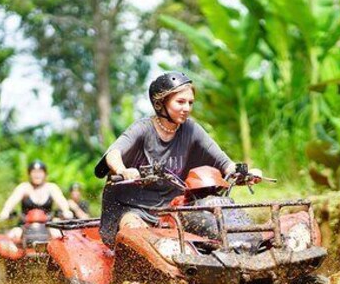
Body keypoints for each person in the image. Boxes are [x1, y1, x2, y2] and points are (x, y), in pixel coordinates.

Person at [94, 71, 239, 246]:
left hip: (172, 207)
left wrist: (238, 171)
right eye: (180, 102)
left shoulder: (191, 129)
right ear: (160, 103)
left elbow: (223, 161)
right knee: (136, 236)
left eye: (190, 103)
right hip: (132, 208)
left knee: (209, 235)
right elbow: (113, 153)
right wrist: (123, 171)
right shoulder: (143, 128)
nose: (187, 108)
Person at [0, 160, 74, 240]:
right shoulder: (24, 187)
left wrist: (66, 211)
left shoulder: (51, 188)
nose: (37, 175)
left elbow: (61, 201)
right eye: (34, 172)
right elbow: (12, 201)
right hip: (24, 225)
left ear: (45, 174)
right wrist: (5, 211)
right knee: (11, 237)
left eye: (40, 172)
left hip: (48, 225)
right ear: (29, 174)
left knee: (59, 236)